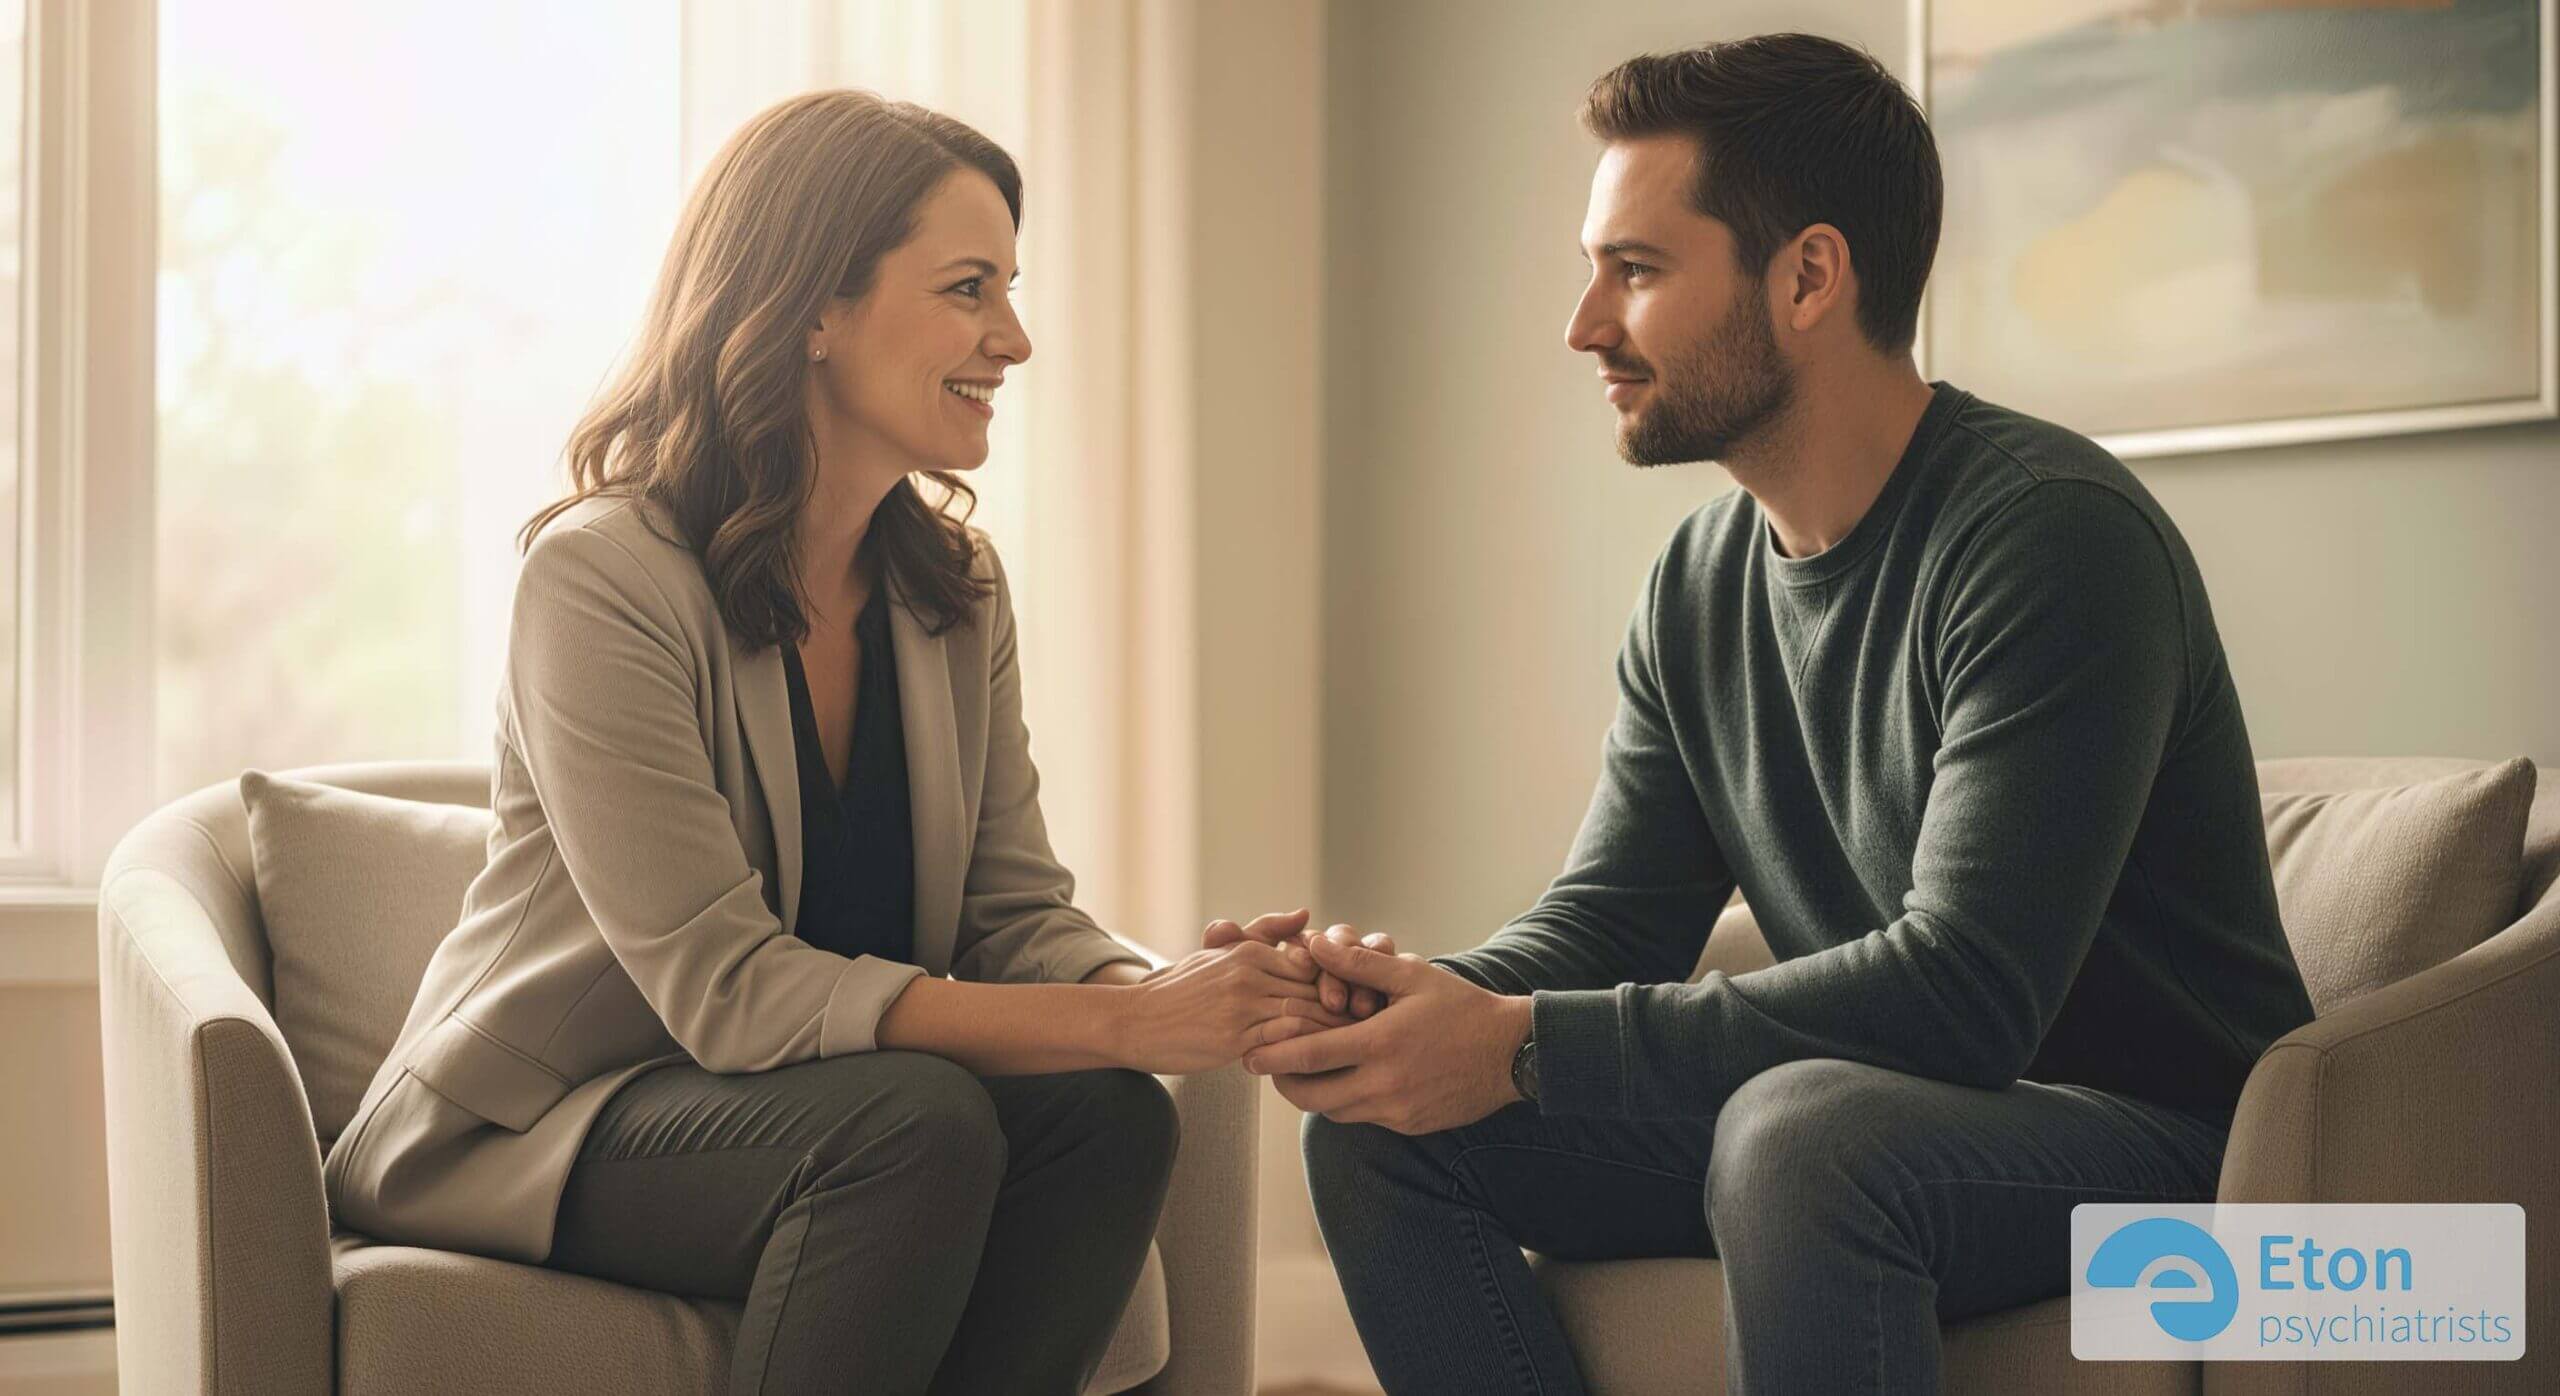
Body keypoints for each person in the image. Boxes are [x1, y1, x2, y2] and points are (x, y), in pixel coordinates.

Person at [1233, 34, 2317, 1395]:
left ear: (1808, 275)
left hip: (2182, 1167)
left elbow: (1968, 995)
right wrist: (1412, 1010)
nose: (1584, 326)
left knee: (1801, 1134)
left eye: (1634, 270)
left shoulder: (2050, 538)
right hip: (1893, 1125)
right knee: (1382, 1133)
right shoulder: (1700, 582)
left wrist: (1516, 1045)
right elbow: (1612, 922)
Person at [321, 90, 1340, 1396]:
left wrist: (1191, 994)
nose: (1015, 339)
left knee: (1105, 1119)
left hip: (828, 1121)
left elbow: (1015, 912)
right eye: (970, 288)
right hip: (547, 1126)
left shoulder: (955, 590)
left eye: (1011, 290)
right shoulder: (600, 580)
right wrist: (1125, 1015)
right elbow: (728, 991)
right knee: (914, 1127)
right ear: (812, 307)